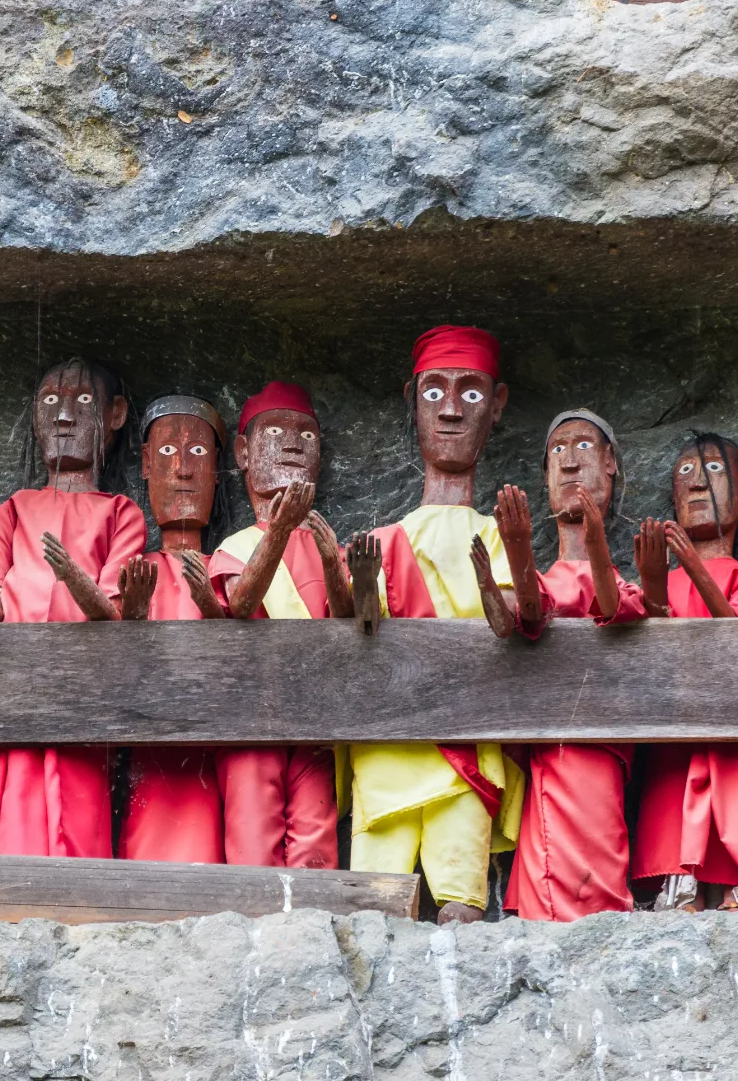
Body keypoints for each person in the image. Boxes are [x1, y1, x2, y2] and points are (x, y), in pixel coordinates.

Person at [346, 327, 527, 923]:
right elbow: (362, 636)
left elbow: (515, 618)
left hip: (464, 750)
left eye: (470, 394)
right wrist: (364, 587)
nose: (450, 410)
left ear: (496, 405)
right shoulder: (383, 540)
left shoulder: (498, 533)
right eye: (434, 393)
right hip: (388, 748)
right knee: (370, 912)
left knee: (462, 908)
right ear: (411, 399)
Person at [0, 358, 146, 857]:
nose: (64, 417)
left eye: (82, 401)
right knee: (15, 811)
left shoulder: (121, 512)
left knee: (80, 818)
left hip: (82, 692)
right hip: (16, 690)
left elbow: (113, 610)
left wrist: (72, 576)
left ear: (115, 414)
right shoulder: (14, 508)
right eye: (50, 402)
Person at [479, 409, 644, 922]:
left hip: (602, 755)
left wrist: (595, 543)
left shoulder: (625, 581)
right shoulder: (546, 578)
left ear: (612, 464)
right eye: (557, 451)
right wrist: (513, 553)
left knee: (603, 858)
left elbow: (615, 606)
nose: (570, 461)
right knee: (550, 867)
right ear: (545, 478)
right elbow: (521, 615)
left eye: (584, 448)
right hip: (551, 753)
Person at [53, 395, 231, 863]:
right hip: (147, 760)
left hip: (216, 756)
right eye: (167, 454)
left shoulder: (228, 565)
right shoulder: (133, 569)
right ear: (147, 466)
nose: (183, 472)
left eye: (198, 455)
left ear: (219, 471)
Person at [631, 433, 738, 912]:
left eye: (712, 470)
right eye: (685, 474)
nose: (697, 485)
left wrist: (694, 567)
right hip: (672, 751)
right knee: (679, 892)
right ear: (673, 496)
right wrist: (656, 583)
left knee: (734, 889)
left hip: (732, 750)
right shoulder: (657, 579)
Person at [205, 381, 347, 869]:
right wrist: (281, 530)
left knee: (316, 839)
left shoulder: (332, 544)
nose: (292, 442)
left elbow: (350, 619)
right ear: (242, 453)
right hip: (251, 722)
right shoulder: (233, 547)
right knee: (252, 835)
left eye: (306, 435)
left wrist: (334, 561)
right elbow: (240, 602)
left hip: (315, 722)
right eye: (275, 432)